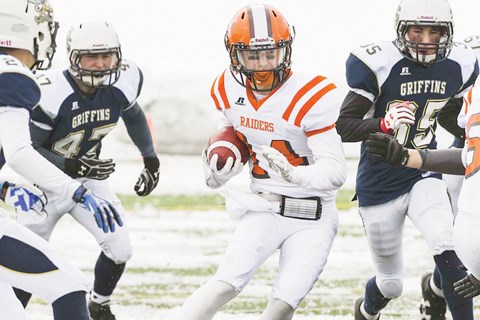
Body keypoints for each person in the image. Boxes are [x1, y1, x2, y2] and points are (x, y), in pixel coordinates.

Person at [175, 4, 346, 320]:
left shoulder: (312, 93)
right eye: (252, 56)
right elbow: (228, 146)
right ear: (234, 55)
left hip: (313, 216)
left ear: (286, 50)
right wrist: (215, 173)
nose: (263, 65)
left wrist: (294, 174)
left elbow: (336, 172)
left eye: (270, 54)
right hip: (263, 208)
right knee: (225, 283)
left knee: (282, 305)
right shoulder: (226, 88)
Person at [335, 0, 479, 319]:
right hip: (379, 185)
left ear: (448, 33)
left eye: (435, 31)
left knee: (448, 246)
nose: (426, 39)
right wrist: (384, 123)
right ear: (403, 31)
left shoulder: (460, 63)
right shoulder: (378, 63)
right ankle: (367, 310)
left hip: (422, 173)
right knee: (390, 285)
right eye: (418, 30)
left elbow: (451, 117)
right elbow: (344, 126)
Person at [14, 19, 160, 320]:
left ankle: (99, 304)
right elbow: (28, 149)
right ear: (73, 58)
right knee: (24, 257)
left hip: (87, 180)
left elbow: (133, 115)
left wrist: (150, 158)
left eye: (106, 56)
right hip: (41, 184)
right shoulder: (50, 92)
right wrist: (69, 163)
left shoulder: (125, 80)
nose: (99, 64)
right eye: (91, 57)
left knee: (120, 247)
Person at [0, 1, 122, 319]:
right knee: (68, 286)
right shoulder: (11, 75)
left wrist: (4, 190)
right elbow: (19, 153)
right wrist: (77, 191)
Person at [363, 83, 480, 299]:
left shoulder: (475, 88)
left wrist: (406, 156)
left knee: (446, 247)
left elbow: (468, 156)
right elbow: (468, 156)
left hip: (468, 237)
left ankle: (434, 292)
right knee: (391, 284)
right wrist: (405, 156)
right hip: (470, 233)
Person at [439, 34, 480, 215]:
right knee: (460, 207)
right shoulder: (461, 82)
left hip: (465, 146)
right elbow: (445, 115)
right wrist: (471, 135)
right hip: (464, 149)